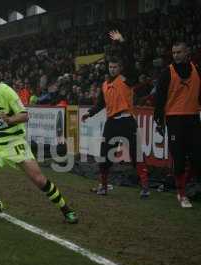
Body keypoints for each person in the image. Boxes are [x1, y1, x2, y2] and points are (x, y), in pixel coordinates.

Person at [0, 61, 78, 224]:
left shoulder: (7, 92)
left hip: (15, 144)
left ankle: (67, 210)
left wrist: (9, 120)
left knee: (39, 180)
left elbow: (24, 115)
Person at [82, 30, 150, 198]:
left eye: (115, 67)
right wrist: (89, 113)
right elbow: (100, 104)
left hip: (127, 121)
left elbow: (131, 61)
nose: (112, 69)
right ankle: (103, 186)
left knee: (136, 154)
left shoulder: (127, 79)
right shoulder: (105, 85)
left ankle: (145, 187)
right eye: (110, 67)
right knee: (105, 155)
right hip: (111, 123)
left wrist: (123, 41)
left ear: (120, 68)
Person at [154, 41, 201, 208]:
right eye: (174, 53)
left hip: (194, 118)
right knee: (179, 159)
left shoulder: (196, 70)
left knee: (197, 158)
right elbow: (159, 98)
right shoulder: (167, 73)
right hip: (174, 120)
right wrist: (158, 120)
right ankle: (182, 194)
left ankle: (185, 187)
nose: (176, 55)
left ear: (187, 51)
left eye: (179, 52)